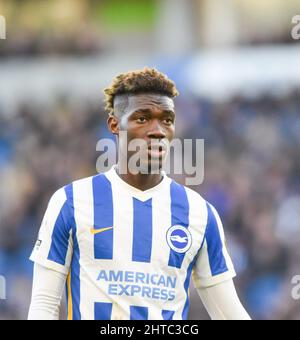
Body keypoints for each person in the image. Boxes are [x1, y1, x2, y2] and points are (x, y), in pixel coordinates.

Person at [28, 67, 250, 320]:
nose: (157, 130)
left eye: (166, 119)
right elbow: (44, 306)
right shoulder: (71, 202)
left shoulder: (199, 213)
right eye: (142, 118)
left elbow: (229, 314)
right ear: (114, 124)